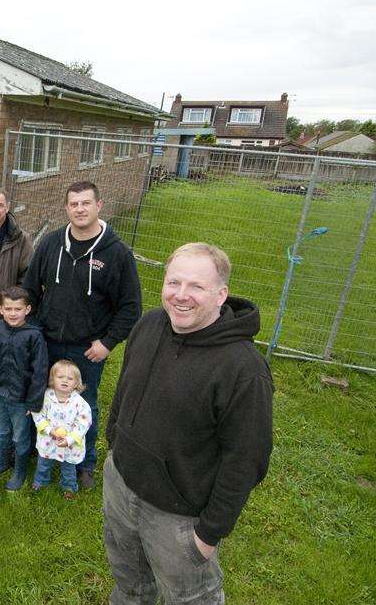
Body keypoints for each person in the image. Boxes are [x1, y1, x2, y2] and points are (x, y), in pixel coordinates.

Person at [103, 243, 273, 604]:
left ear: (221, 294)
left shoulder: (243, 370)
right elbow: (126, 388)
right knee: (130, 586)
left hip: (177, 518)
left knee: (191, 599)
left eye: (196, 286)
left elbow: (246, 460)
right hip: (121, 485)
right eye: (173, 282)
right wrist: (115, 442)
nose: (181, 296)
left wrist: (209, 534)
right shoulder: (150, 325)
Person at [23, 181, 141, 490]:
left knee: (83, 404)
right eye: (74, 204)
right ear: (66, 208)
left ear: (99, 205)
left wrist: (107, 342)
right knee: (42, 399)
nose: (80, 209)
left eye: (86, 203)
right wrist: (33, 330)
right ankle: (42, 453)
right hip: (47, 340)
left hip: (87, 350)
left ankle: (84, 462)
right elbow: (30, 289)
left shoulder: (116, 253)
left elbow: (131, 307)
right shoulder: (50, 244)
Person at [0, 285, 48, 491]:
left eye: (17, 309)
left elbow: (40, 371)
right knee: (2, 431)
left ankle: (20, 470)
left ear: (27, 310)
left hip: (21, 399)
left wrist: (34, 401)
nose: (12, 313)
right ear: (0, 309)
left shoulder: (34, 336)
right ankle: (2, 462)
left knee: (20, 435)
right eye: (8, 309)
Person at [31, 360, 92, 500]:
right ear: (52, 379)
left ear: (77, 383)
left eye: (70, 378)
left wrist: (70, 439)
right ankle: (41, 481)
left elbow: (84, 422)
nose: (65, 381)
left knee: (68, 467)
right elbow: (38, 414)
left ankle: (69, 487)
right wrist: (49, 430)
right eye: (60, 377)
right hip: (48, 441)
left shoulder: (79, 403)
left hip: (70, 445)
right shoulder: (46, 397)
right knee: (43, 463)